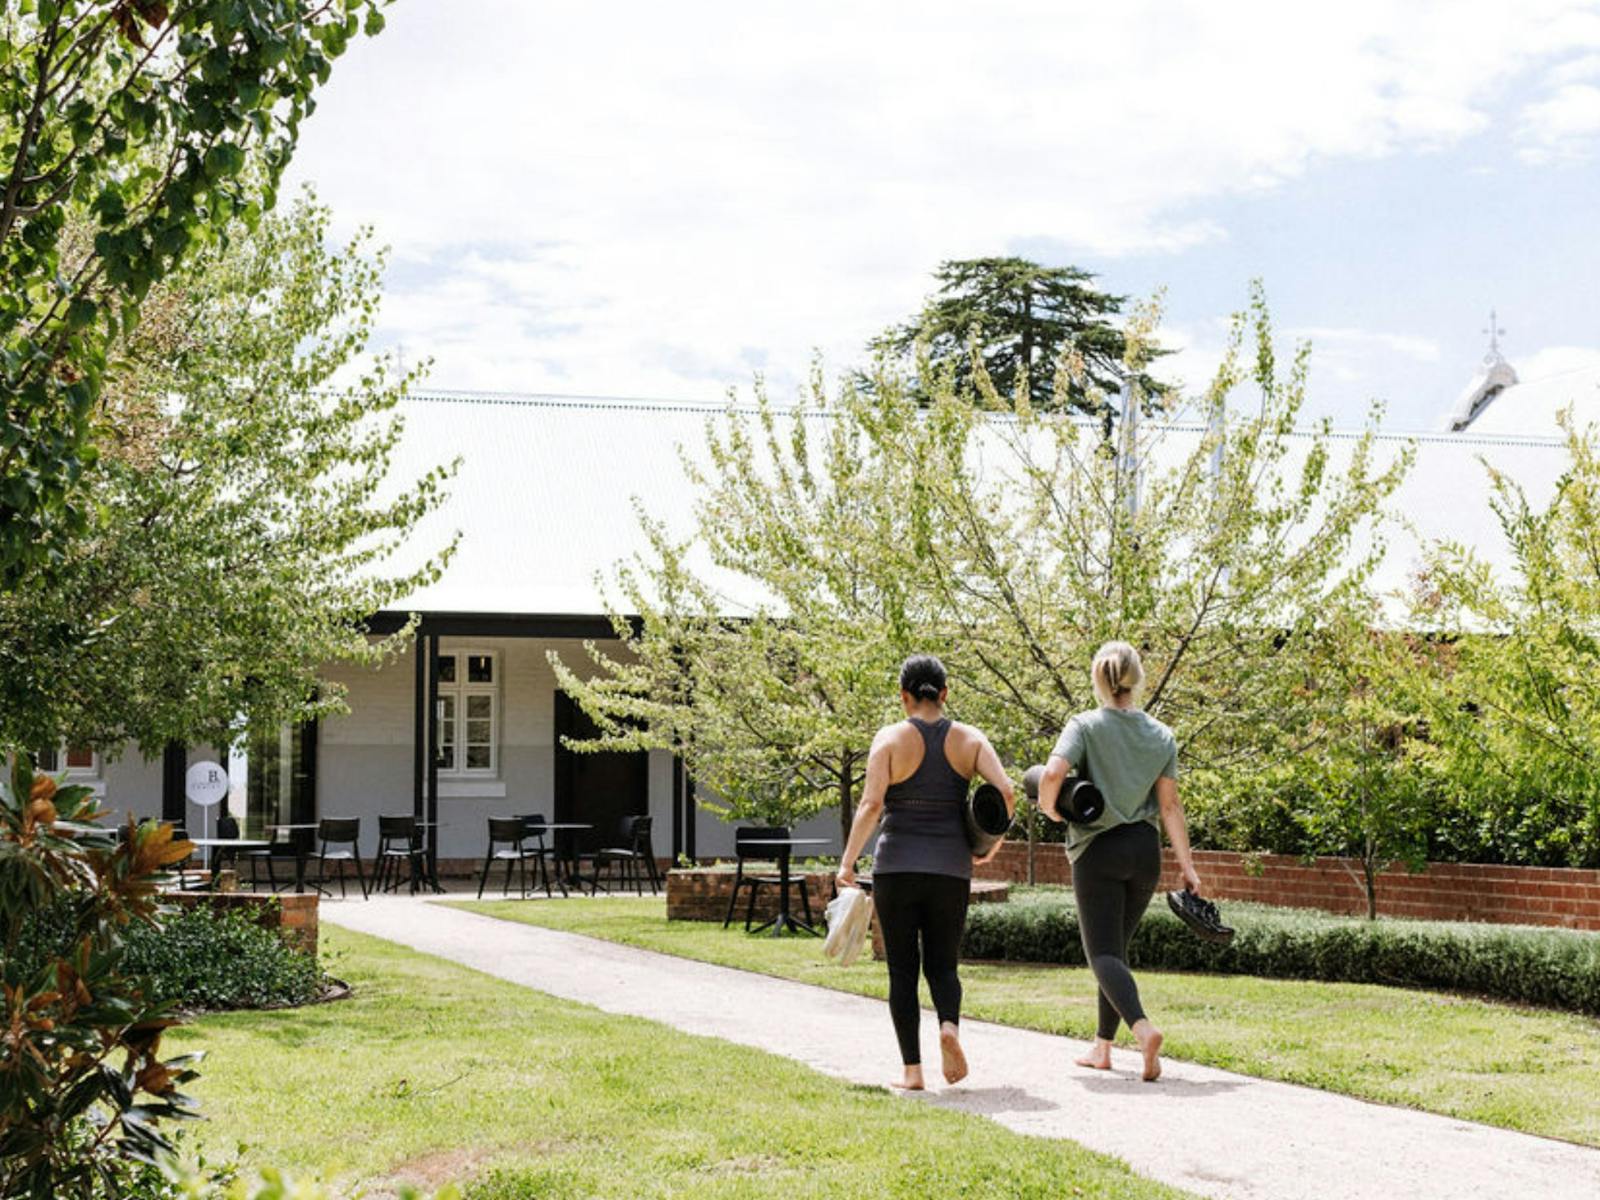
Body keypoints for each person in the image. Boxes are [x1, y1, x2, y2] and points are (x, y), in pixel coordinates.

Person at [837, 654, 1015, 1091]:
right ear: (944, 693)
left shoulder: (889, 739)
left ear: (904, 696)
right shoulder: (970, 740)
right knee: (943, 965)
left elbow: (871, 805)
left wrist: (848, 862)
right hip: (950, 868)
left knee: (902, 970)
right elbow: (1007, 792)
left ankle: (912, 1072)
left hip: (897, 867)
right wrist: (988, 846)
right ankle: (949, 1026)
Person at [1035, 640, 1202, 1082]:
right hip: (1145, 852)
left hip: (1099, 850)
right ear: (1137, 679)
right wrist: (1187, 867)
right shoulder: (1161, 735)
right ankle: (1102, 1047)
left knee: (1103, 953)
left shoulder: (1085, 725)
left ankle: (1143, 1030)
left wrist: (1050, 809)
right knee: (1116, 952)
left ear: (1098, 679)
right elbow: (1170, 807)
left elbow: (1052, 774)